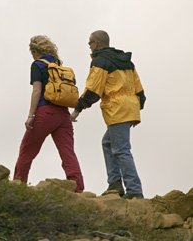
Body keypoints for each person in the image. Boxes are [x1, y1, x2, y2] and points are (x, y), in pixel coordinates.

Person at [70, 30, 146, 199]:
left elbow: (93, 90)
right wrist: (135, 108)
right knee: (107, 143)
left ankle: (134, 190)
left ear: (96, 43)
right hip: (129, 107)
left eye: (89, 43)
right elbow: (139, 89)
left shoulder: (100, 61)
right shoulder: (126, 61)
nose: (89, 46)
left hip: (117, 108)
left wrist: (76, 110)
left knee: (121, 150)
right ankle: (115, 183)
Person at [14, 35, 85, 193]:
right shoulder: (59, 66)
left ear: (35, 51)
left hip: (45, 112)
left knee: (27, 150)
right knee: (67, 152)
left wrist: (31, 116)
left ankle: (17, 187)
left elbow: (37, 90)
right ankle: (78, 187)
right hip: (64, 115)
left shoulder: (37, 65)